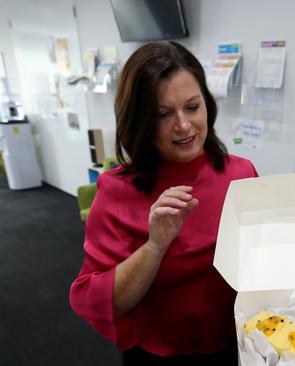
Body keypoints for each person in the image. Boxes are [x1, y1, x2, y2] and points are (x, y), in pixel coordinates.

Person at [69, 41, 258, 364]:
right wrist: (154, 246)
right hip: (158, 354)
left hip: (236, 341)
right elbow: (93, 296)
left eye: (192, 107)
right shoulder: (116, 191)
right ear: (140, 120)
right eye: (163, 114)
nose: (183, 125)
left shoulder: (240, 172)